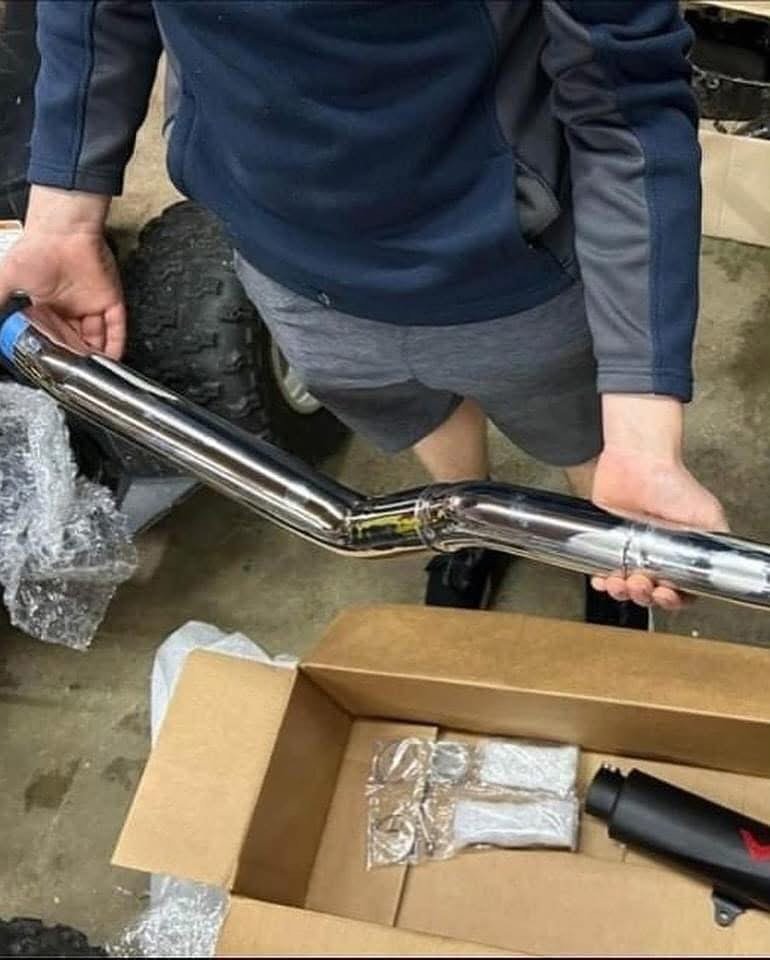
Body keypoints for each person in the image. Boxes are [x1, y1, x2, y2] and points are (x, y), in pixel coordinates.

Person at [0, 0, 727, 624]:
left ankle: (595, 550)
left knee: (578, 436)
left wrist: (641, 432)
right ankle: (467, 534)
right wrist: (64, 217)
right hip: (283, 261)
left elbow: (627, 105)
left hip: (508, 277)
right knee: (415, 413)